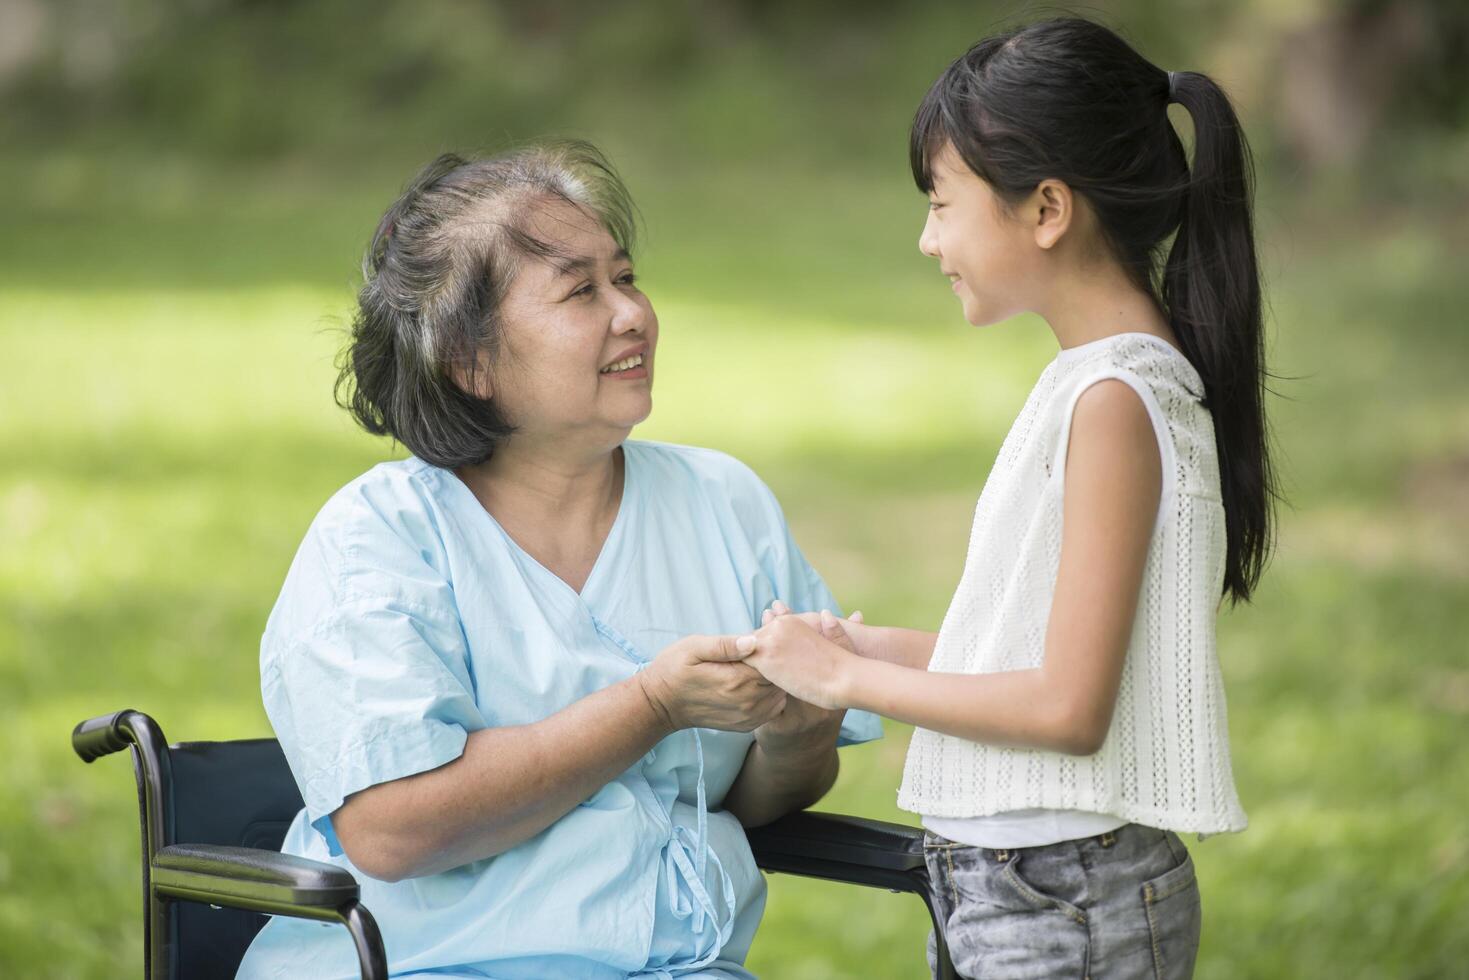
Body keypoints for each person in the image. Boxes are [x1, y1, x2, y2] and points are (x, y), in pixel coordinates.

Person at [235, 140, 882, 980]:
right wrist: (650, 703)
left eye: (627, 277)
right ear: (467, 360)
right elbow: (391, 830)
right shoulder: (377, 540)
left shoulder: (723, 502)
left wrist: (798, 738)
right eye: (581, 292)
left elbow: (744, 798)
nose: (632, 314)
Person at [738, 17, 1277, 979]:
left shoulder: (1113, 399)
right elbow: (1025, 661)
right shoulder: (1094, 384)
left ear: (1046, 210)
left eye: (942, 204)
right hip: (1025, 889)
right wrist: (860, 648)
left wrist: (845, 685)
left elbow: (1068, 707)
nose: (925, 237)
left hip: (1060, 902)